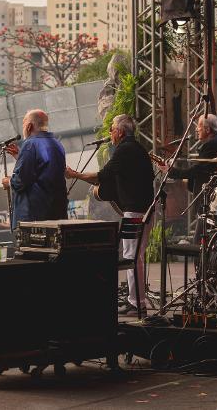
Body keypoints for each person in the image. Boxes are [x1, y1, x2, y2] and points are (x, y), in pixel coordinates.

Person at [66, 114, 155, 315]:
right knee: (135, 256)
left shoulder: (124, 150)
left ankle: (137, 303)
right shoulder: (137, 149)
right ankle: (136, 300)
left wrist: (75, 175)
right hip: (143, 208)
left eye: (112, 129)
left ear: (120, 132)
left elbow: (102, 175)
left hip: (135, 211)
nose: (109, 133)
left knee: (132, 256)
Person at [1, 109, 67, 229]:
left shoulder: (30, 144)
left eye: (24, 123)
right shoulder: (57, 144)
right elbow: (44, 169)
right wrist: (20, 156)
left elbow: (21, 181)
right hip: (56, 210)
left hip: (34, 215)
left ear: (29, 126)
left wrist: (9, 182)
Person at [158, 113, 217, 194]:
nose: (196, 129)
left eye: (198, 126)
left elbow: (197, 171)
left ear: (207, 129)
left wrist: (172, 172)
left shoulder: (211, 145)